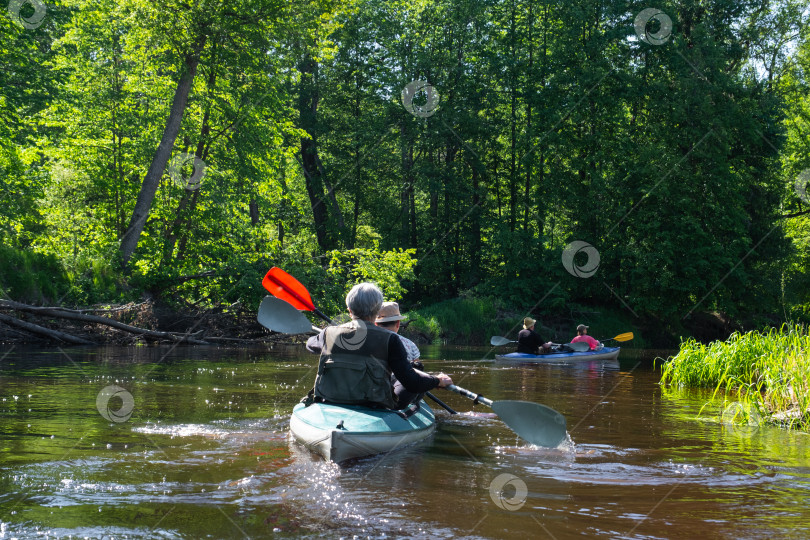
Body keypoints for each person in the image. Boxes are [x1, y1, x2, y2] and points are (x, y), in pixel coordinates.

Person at [306, 283, 452, 409]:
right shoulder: (391, 339)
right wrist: (436, 380)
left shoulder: (327, 333)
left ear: (349, 310)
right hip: (373, 404)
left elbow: (310, 345)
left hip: (329, 398)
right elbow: (412, 383)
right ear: (377, 312)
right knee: (415, 370)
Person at [375, 301, 426, 407]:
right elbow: (417, 372)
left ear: (376, 323)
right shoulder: (410, 344)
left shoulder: (369, 341)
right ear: (398, 323)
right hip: (400, 389)